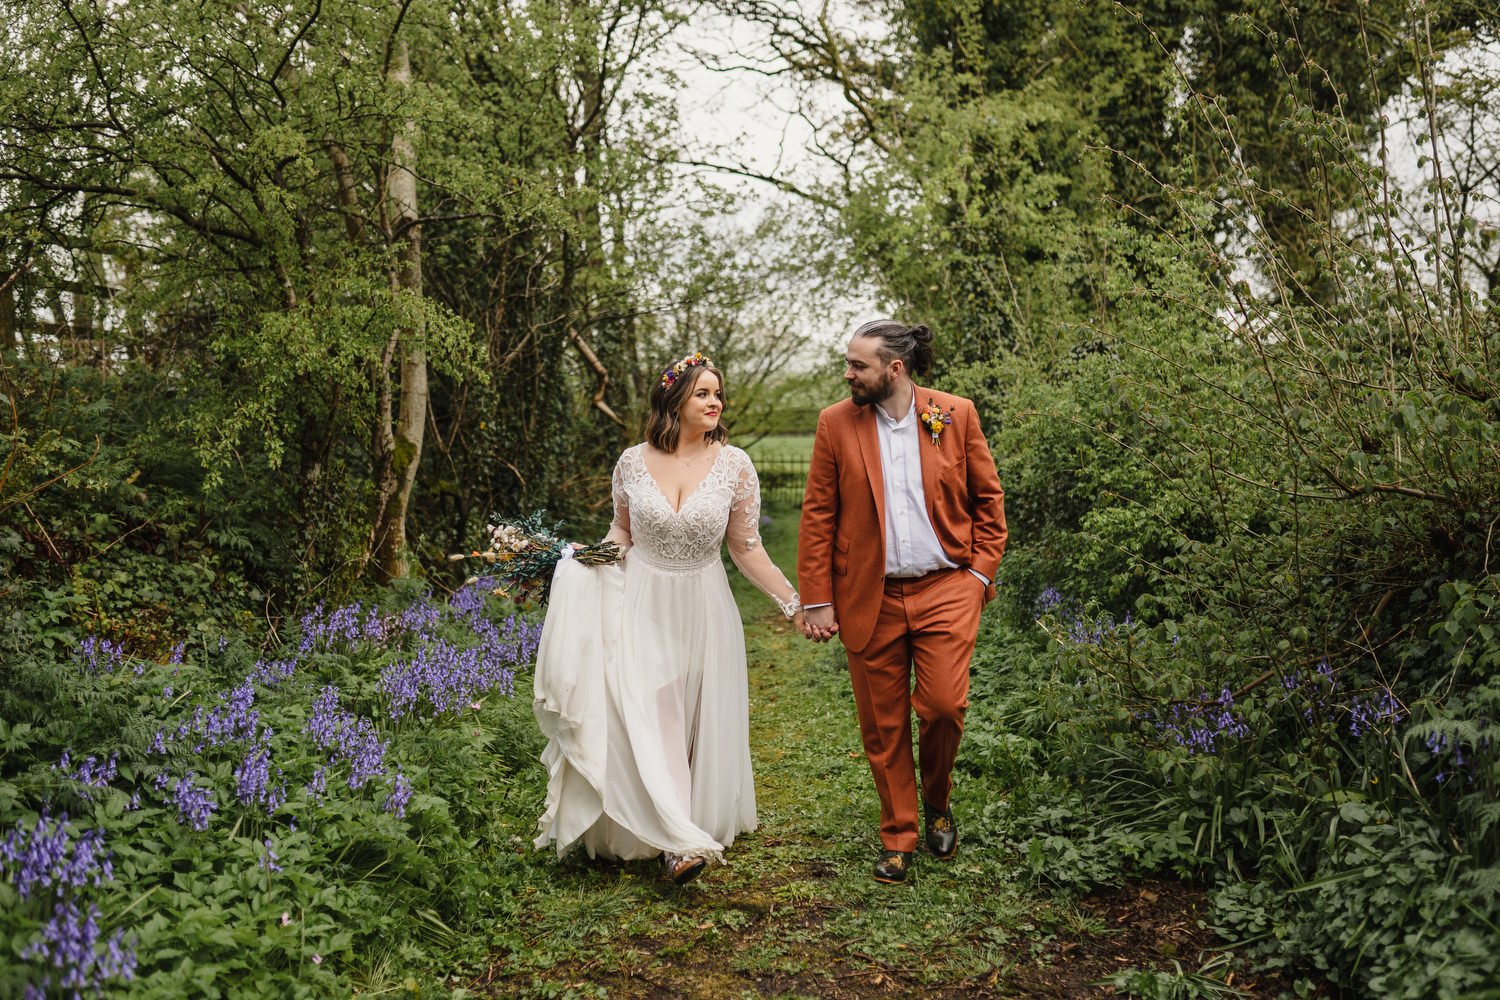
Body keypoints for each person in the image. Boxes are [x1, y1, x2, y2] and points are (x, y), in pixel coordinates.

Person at [532, 351, 804, 885]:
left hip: (704, 603)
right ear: (675, 400)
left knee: (693, 717)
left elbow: (747, 548)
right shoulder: (632, 461)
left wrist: (794, 605)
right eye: (702, 392)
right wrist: (579, 559)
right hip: (642, 601)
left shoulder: (734, 464)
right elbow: (621, 534)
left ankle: (684, 819)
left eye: (717, 394)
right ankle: (676, 844)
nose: (714, 402)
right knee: (656, 714)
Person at [797, 319, 1007, 884]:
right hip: (871, 595)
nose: (848, 373)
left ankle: (938, 803)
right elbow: (818, 515)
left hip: (947, 588)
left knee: (942, 708)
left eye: (858, 365)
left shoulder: (953, 413)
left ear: (894, 368)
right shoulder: (835, 424)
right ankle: (899, 833)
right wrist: (817, 598)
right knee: (883, 725)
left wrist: (979, 577)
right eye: (848, 362)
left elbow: (989, 500)